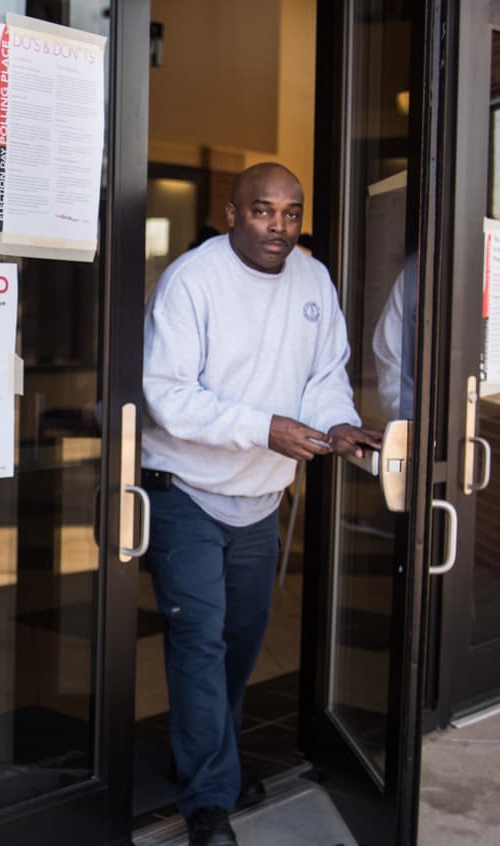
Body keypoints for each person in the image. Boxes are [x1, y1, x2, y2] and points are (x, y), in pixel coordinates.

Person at [140, 162, 381, 846]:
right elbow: (169, 394)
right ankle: (209, 803)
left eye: (291, 212)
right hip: (185, 488)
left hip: (259, 496)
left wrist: (334, 422)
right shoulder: (194, 278)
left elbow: (324, 376)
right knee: (200, 639)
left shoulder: (313, 278)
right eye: (263, 211)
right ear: (232, 212)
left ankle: (209, 762)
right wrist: (266, 427)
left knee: (239, 645)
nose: (279, 226)